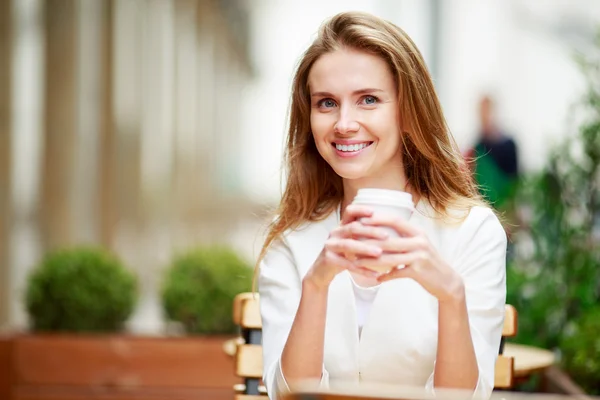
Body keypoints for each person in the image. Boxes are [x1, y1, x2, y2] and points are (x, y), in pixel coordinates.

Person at [256, 11, 506, 400]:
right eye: (326, 103)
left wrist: (451, 296)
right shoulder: (291, 242)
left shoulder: (472, 233)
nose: (344, 123)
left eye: (368, 100)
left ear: (408, 113)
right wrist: (316, 285)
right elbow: (285, 395)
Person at [467, 96, 519, 209]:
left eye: (487, 111)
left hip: (505, 207)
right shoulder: (477, 147)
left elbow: (514, 181)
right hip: (484, 207)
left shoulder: (509, 145)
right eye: (481, 112)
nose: (484, 116)